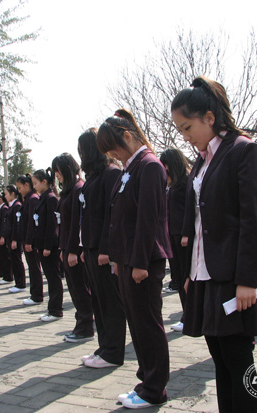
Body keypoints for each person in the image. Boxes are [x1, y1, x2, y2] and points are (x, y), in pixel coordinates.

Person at [172, 77, 257, 412]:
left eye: (188, 127)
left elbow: (250, 220)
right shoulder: (204, 159)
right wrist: (191, 272)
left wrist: (247, 279)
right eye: (181, 130)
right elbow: (201, 223)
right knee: (219, 358)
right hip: (205, 273)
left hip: (232, 275)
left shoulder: (243, 150)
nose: (185, 136)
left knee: (238, 358)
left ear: (209, 118)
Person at [97, 108, 172, 409]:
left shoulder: (150, 166)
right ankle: (145, 381)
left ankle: (155, 389)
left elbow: (148, 220)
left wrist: (139, 262)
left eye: (113, 148)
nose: (113, 156)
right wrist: (118, 258)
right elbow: (119, 219)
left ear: (127, 136)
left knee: (148, 324)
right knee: (137, 324)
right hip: (127, 260)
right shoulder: (130, 168)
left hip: (143, 260)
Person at [77, 128, 126, 368]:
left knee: (110, 302)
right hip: (91, 247)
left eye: (81, 149)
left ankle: (114, 352)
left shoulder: (111, 173)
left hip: (104, 251)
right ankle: (104, 346)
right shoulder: (94, 177)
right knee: (98, 300)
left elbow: (112, 213)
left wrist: (107, 249)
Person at [52, 153, 95, 343]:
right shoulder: (69, 191)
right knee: (75, 289)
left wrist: (72, 251)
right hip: (66, 247)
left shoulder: (79, 189)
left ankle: (85, 326)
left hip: (74, 250)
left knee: (80, 289)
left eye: (58, 170)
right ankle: (82, 323)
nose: (57, 175)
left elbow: (78, 224)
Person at [159, 148, 189, 332]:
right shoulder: (172, 185)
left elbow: (190, 212)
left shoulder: (186, 183)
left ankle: (190, 316)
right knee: (178, 276)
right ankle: (188, 314)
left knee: (186, 276)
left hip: (183, 237)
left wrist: (186, 233)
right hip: (172, 236)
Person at [29, 168, 63, 321]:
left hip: (49, 247)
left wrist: (48, 247)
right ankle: (52, 308)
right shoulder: (43, 198)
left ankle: (56, 310)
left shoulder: (50, 198)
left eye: (36, 183)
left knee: (54, 279)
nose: (34, 187)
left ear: (44, 182)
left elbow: (51, 225)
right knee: (50, 278)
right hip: (41, 245)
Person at [17, 174, 44, 306]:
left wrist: (28, 241)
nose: (19, 190)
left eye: (20, 187)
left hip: (31, 241)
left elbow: (31, 223)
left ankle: (37, 295)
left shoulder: (32, 199)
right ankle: (34, 293)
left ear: (26, 185)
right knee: (32, 268)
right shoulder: (27, 199)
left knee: (34, 268)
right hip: (27, 240)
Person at [0, 192, 13, 285]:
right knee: (0, 256)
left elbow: (5, 224)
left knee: (5, 257)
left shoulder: (4, 209)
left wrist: (3, 236)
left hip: (3, 237)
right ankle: (3, 274)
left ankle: (8, 276)